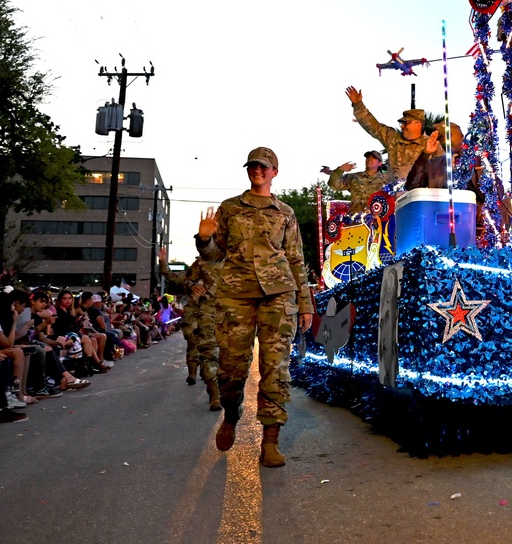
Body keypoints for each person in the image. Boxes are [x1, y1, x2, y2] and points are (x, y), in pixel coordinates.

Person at [196, 146, 315, 467]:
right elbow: (212, 256)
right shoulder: (230, 209)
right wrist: (204, 239)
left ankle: (270, 441)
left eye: (263, 166)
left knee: (275, 368)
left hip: (278, 295)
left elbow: (296, 260)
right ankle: (232, 414)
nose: (257, 170)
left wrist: (305, 303)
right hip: (236, 295)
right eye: (252, 166)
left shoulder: (286, 213)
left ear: (275, 172)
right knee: (231, 369)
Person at [159, 245, 222, 411]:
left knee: (230, 358)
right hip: (205, 314)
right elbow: (178, 278)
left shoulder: (238, 258)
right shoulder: (201, 264)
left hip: (233, 316)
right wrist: (163, 263)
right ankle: (213, 393)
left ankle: (223, 389)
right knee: (205, 350)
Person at [344, 86, 428, 182]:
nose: (402, 126)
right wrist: (358, 105)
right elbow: (373, 126)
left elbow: (441, 172)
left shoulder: (431, 145)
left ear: (418, 125)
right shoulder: (393, 138)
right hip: (391, 194)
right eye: (402, 123)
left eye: (406, 123)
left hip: (418, 195)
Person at [326, 150, 391, 214]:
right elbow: (334, 185)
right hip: (356, 219)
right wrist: (340, 170)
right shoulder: (354, 177)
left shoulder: (387, 180)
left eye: (374, 158)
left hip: (378, 220)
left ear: (380, 163)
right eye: (368, 157)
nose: (369, 159)